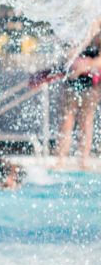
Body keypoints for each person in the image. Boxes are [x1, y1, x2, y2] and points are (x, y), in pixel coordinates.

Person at [56, 18, 101, 170]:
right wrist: (77, 63)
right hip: (73, 80)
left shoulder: (96, 25)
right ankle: (61, 160)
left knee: (86, 121)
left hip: (90, 82)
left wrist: (86, 65)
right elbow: (66, 56)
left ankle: (84, 160)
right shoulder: (72, 26)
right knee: (66, 121)